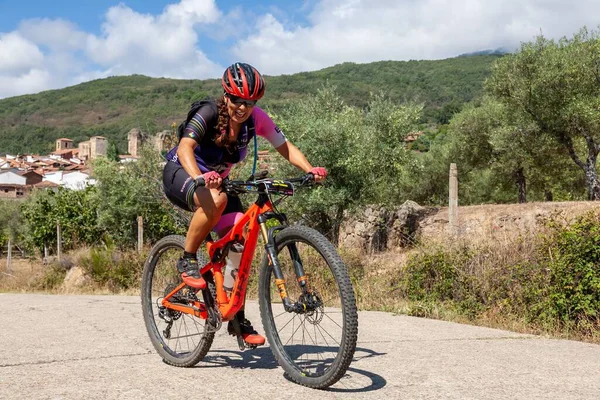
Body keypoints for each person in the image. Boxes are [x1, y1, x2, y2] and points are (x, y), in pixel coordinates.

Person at [162, 62, 327, 346]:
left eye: (250, 102)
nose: (243, 107)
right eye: (237, 100)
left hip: (218, 183)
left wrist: (309, 169)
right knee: (216, 199)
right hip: (183, 173)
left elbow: (284, 146)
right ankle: (187, 258)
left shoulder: (256, 119)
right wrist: (200, 177)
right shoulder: (209, 114)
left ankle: (235, 315)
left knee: (239, 238)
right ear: (226, 95)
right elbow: (184, 147)